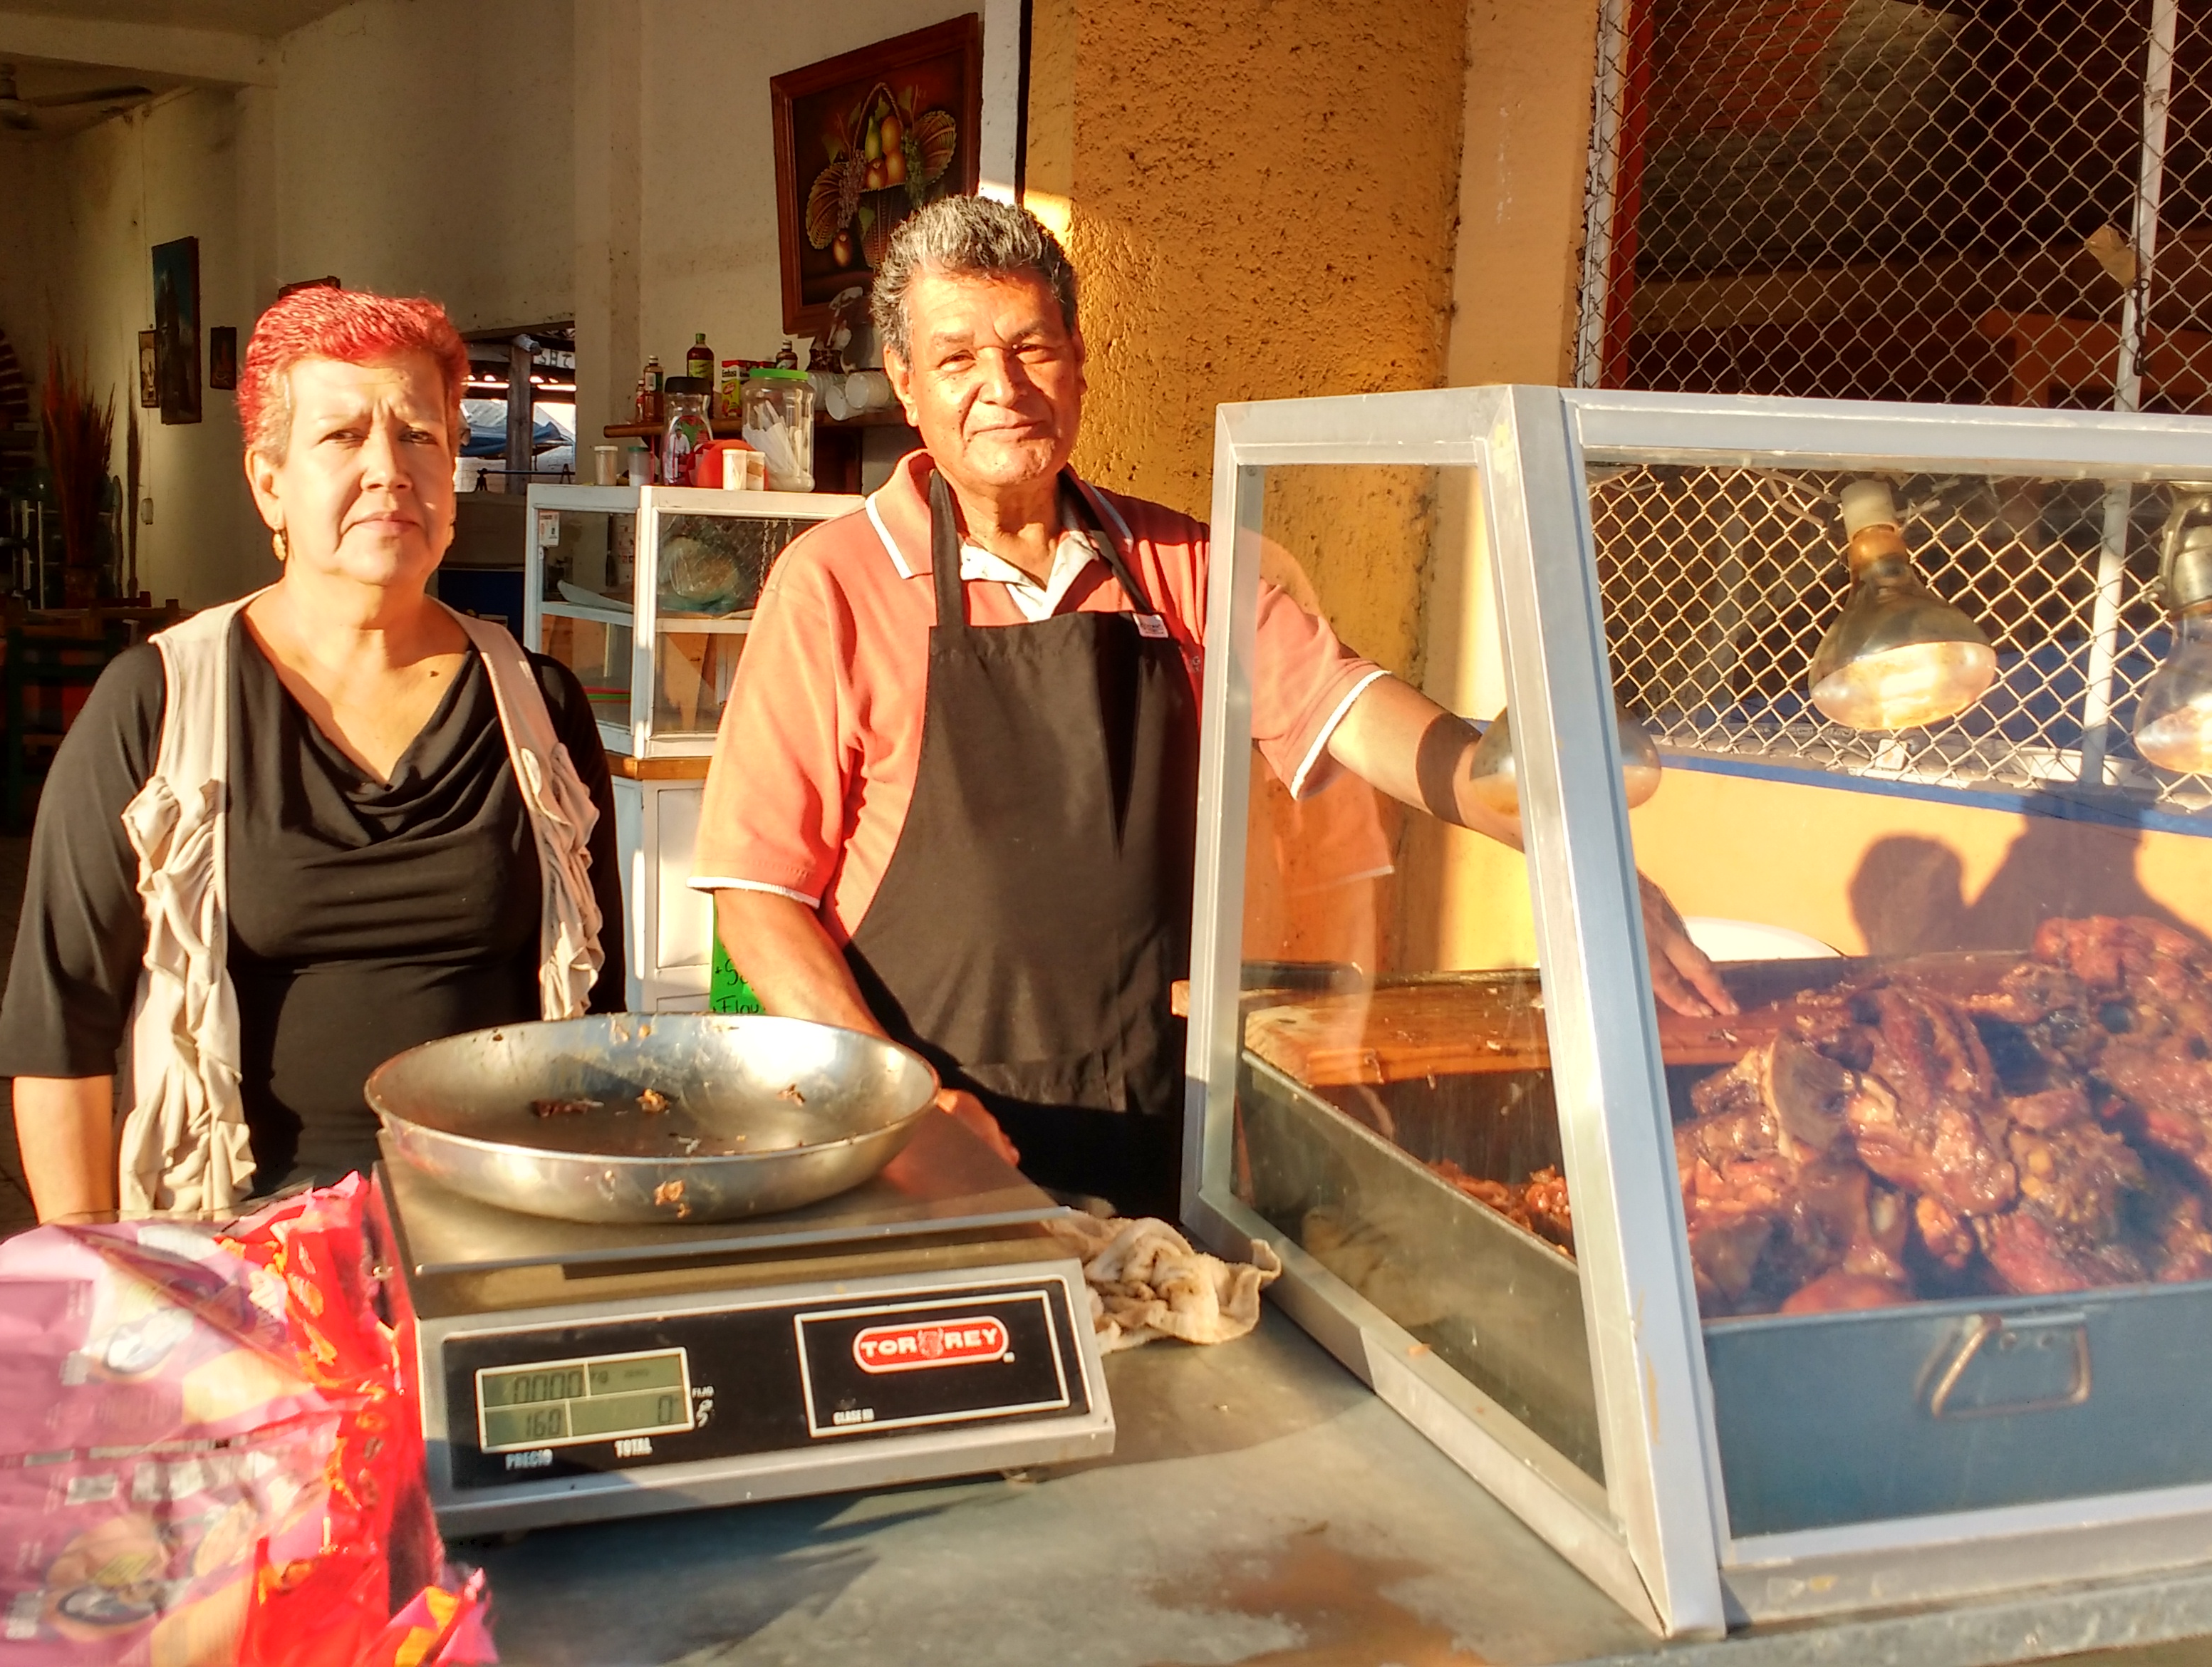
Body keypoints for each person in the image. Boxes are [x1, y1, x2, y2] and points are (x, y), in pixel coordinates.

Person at [694, 197, 1729, 1220]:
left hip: (1153, 1110)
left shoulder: (1173, 565)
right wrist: (896, 1100)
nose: (1002, 389)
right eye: (958, 359)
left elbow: (1360, 710)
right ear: (906, 385)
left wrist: (1566, 840)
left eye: (1032, 349)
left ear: (1081, 360)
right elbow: (757, 895)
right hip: (933, 1130)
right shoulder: (830, 584)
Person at [0, 285, 624, 1224]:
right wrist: (91, 1273)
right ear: (270, 482)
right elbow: (59, 1031)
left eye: (420, 436)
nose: (389, 470)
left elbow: (600, 1014)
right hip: (239, 1235)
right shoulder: (160, 705)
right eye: (341, 438)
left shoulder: (538, 707)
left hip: (501, 1225)